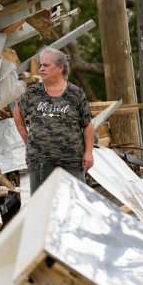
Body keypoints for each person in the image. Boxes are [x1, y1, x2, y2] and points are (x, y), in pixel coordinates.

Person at [13, 47, 94, 192]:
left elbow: (87, 125)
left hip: (71, 161)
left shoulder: (76, 94)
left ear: (60, 67)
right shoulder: (33, 93)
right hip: (40, 161)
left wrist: (88, 153)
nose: (41, 69)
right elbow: (17, 112)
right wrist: (28, 138)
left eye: (46, 65)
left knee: (74, 204)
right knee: (42, 206)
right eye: (40, 65)